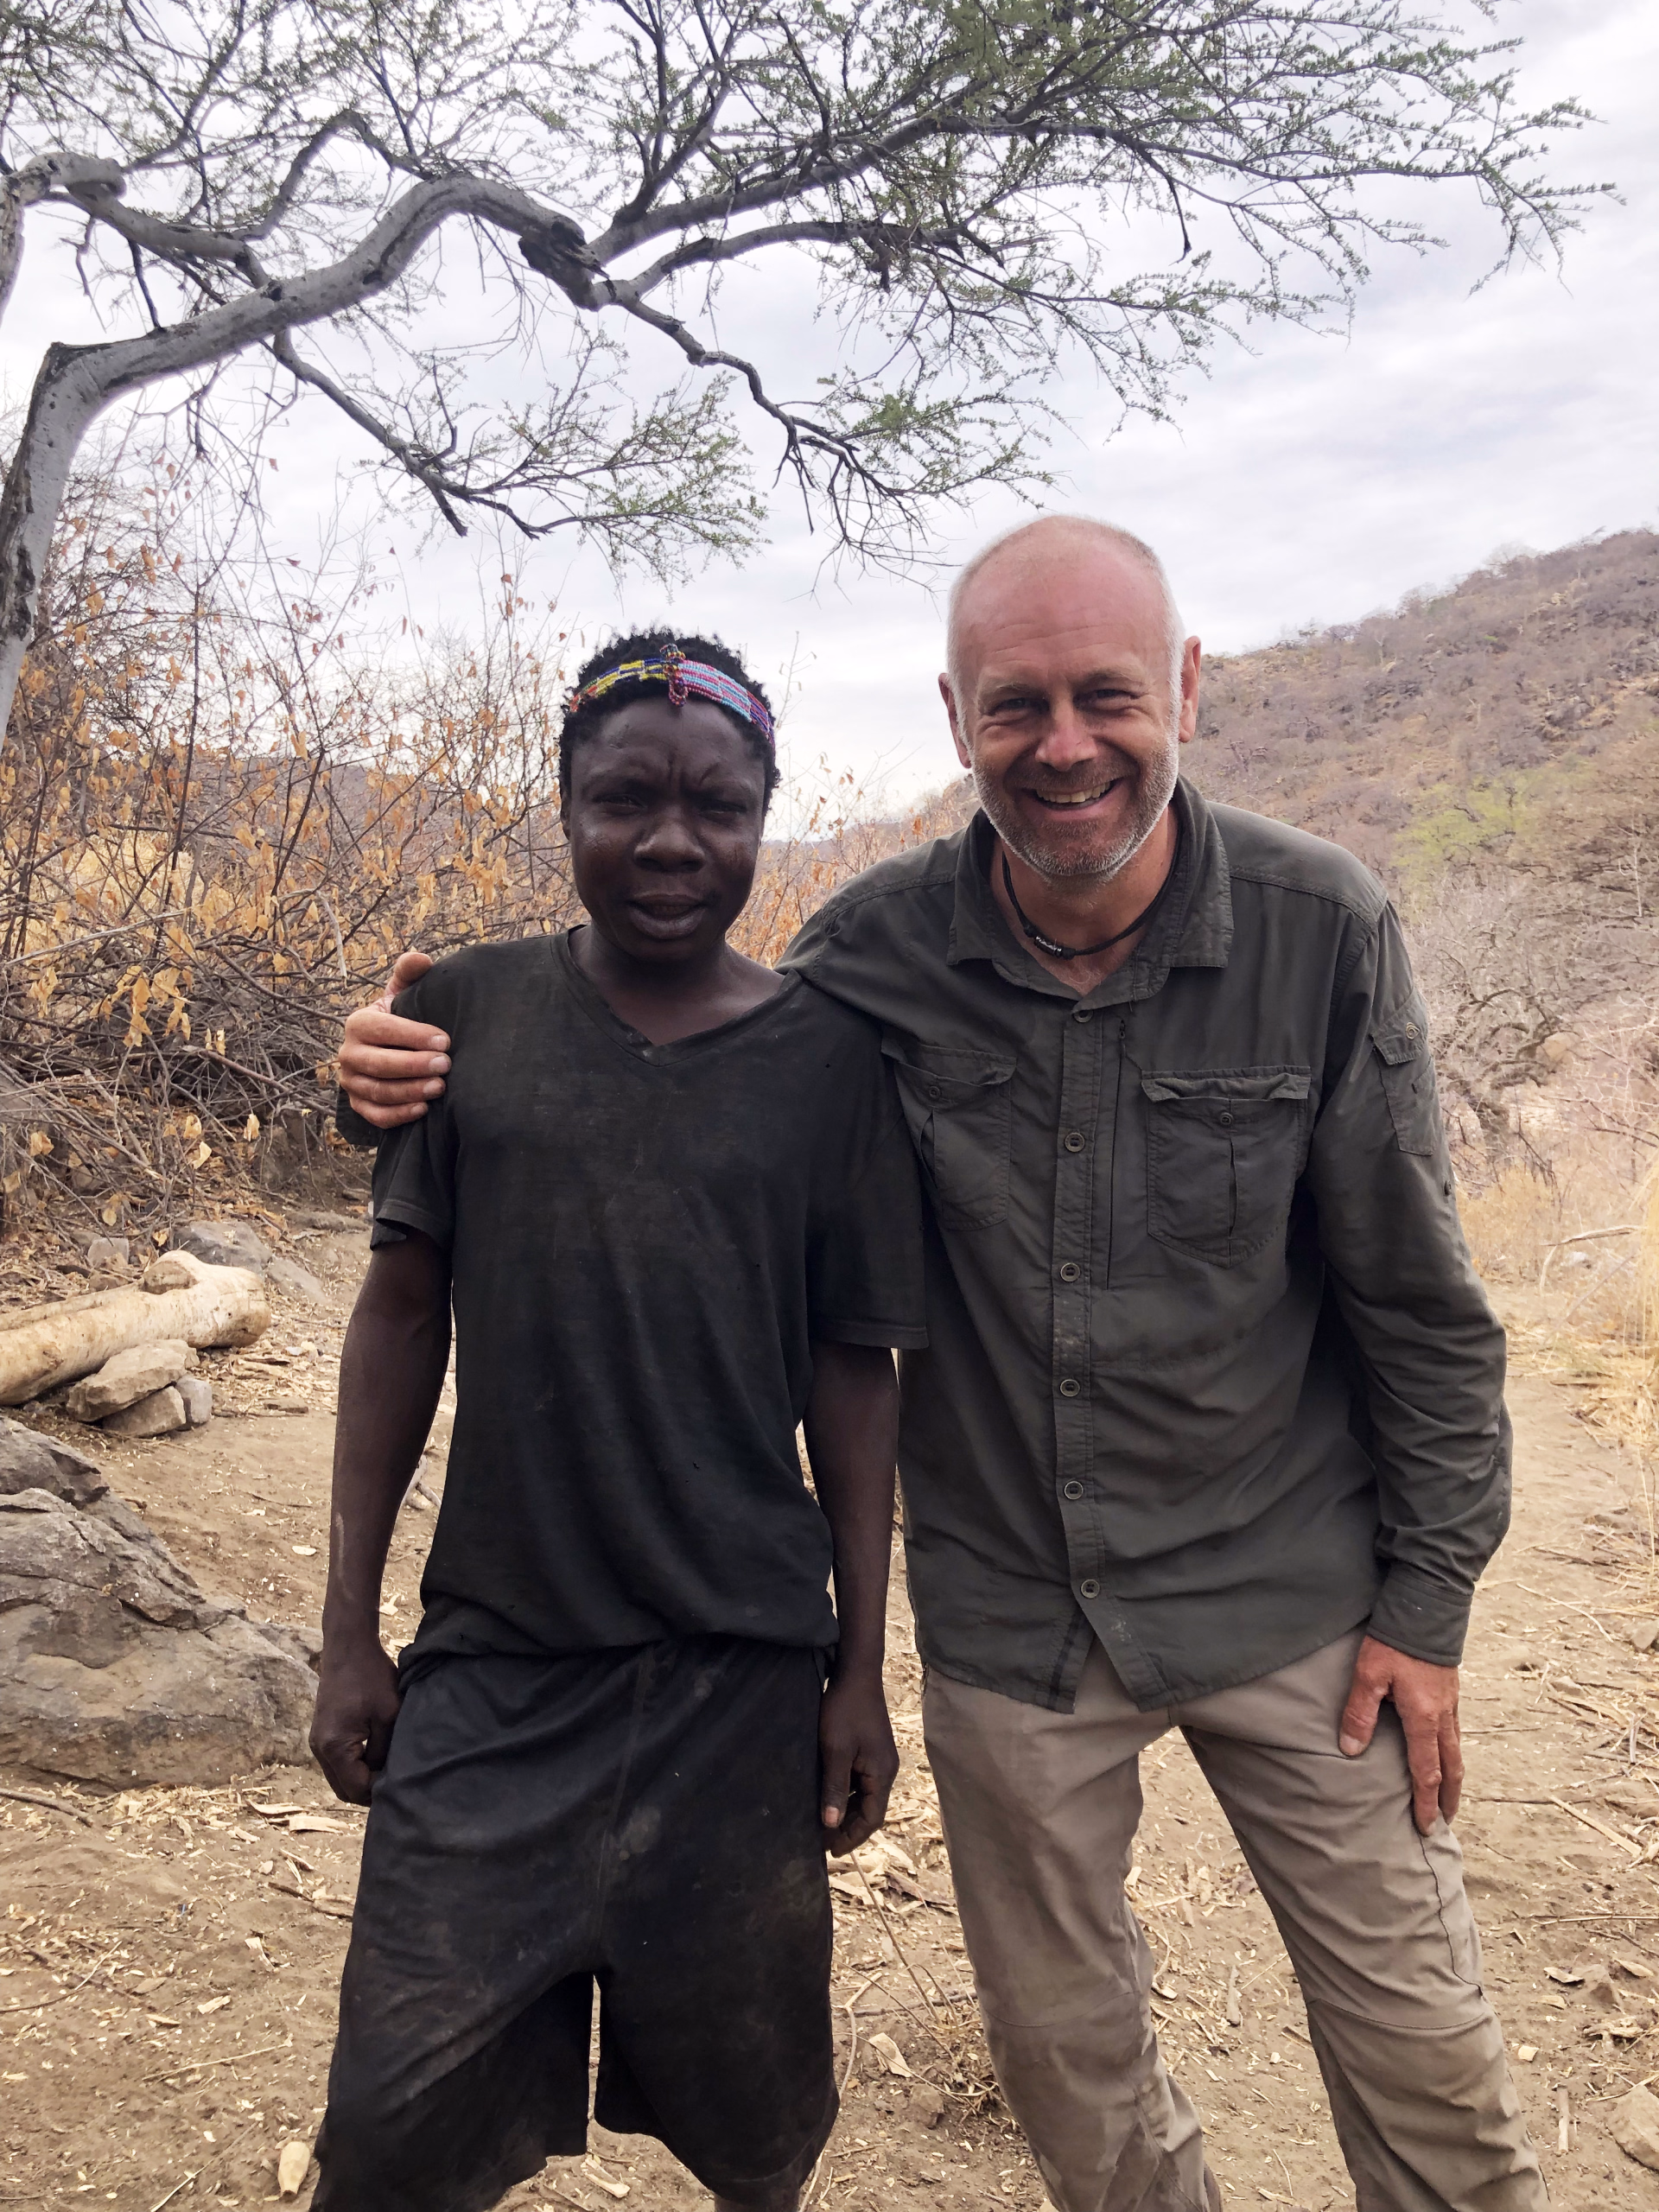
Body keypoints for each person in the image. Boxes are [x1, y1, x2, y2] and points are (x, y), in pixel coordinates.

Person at [339, 521, 1543, 2212]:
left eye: (1107, 693)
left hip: (1297, 1591)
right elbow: (672, 1044)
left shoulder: (1319, 928)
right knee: (1076, 2077)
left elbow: (1420, 1303)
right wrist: (402, 1060)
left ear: (1185, 686)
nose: (1065, 743)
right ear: (956, 715)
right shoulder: (865, 960)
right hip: (1012, 1621)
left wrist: (1427, 1602)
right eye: (1016, 703)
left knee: (1430, 2069)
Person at [312, 631, 926, 2212]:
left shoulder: (831, 1064)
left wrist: (858, 1669)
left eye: (717, 806)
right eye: (625, 799)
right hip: (499, 1668)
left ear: (764, 817)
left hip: (740, 1680)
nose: (670, 841)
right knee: (388, 2134)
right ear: (566, 804)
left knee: (757, 2128)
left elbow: (852, 1376)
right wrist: (344, 1632)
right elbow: (398, 1317)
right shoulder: (466, 1012)